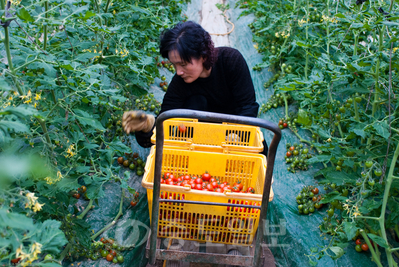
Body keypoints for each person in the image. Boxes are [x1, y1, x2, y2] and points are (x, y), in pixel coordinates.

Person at [122, 21, 268, 156]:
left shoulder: (230, 61)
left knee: (260, 150)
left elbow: (247, 106)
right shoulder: (180, 82)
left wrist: (237, 133)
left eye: (183, 64)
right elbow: (166, 124)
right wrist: (148, 125)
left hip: (232, 133)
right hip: (197, 142)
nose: (178, 72)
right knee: (196, 102)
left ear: (203, 55)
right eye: (174, 65)